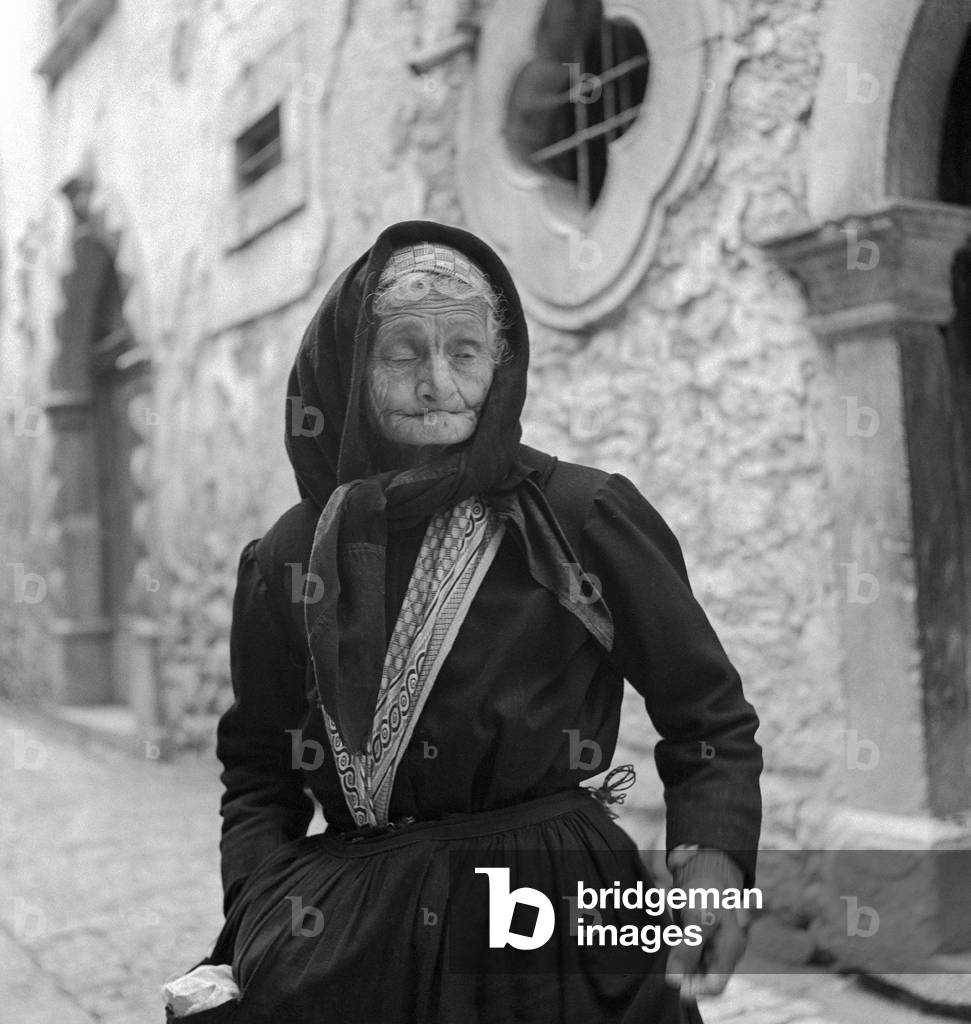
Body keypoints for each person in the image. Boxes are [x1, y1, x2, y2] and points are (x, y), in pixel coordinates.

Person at [171, 220, 762, 1023]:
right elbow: (258, 767)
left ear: (500, 364)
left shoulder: (580, 516)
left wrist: (711, 856)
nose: (437, 382)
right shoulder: (290, 553)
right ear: (351, 370)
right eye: (403, 352)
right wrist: (261, 908)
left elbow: (705, 717)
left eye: (465, 351)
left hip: (551, 924)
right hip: (353, 945)